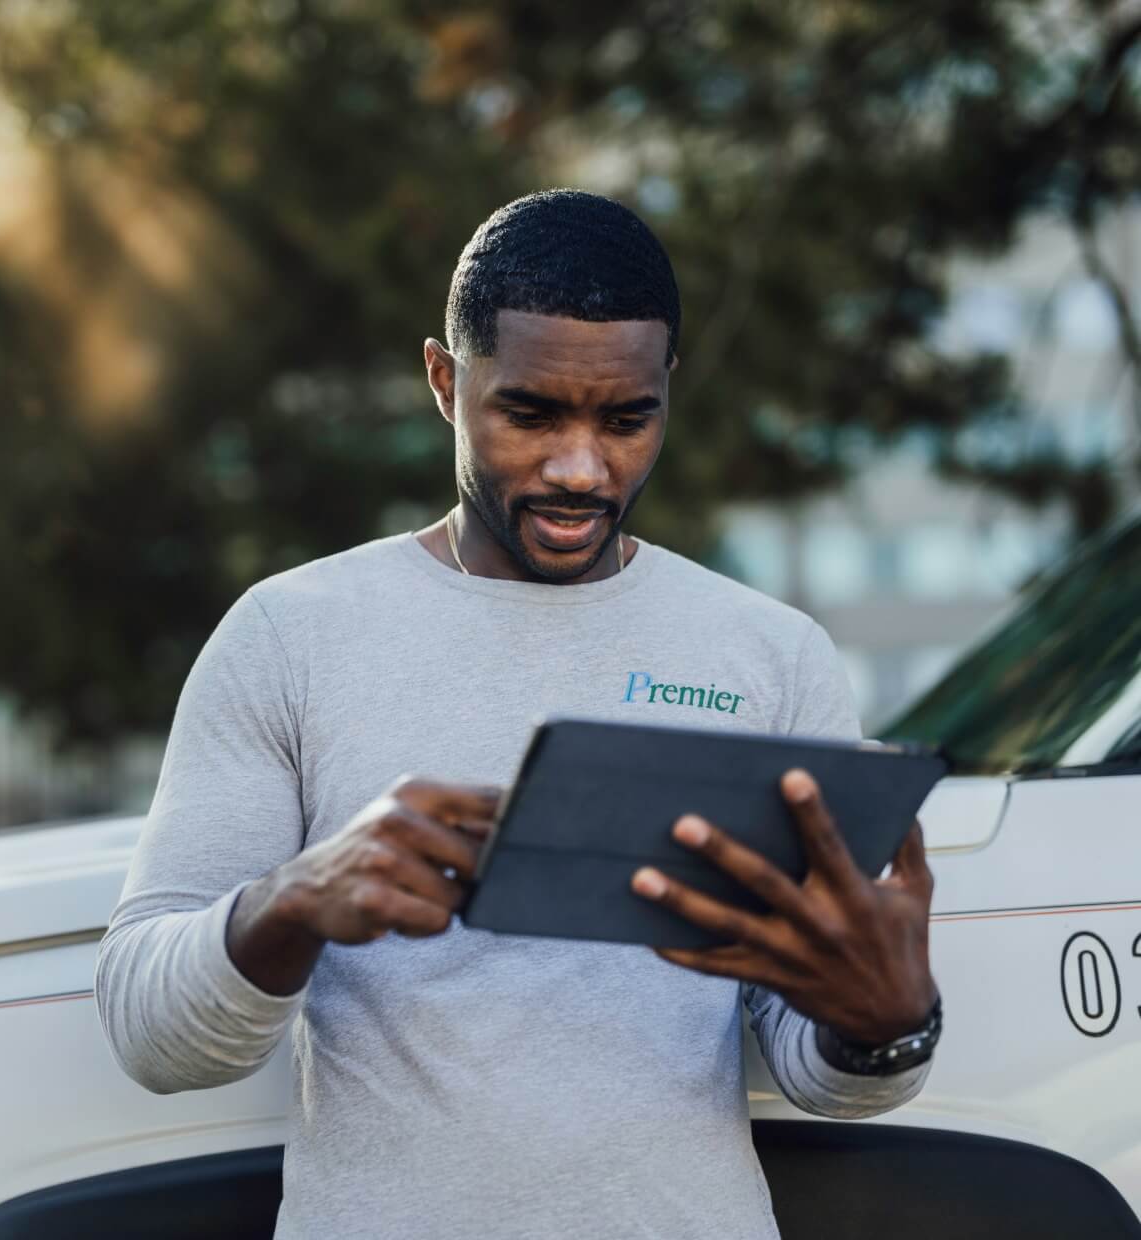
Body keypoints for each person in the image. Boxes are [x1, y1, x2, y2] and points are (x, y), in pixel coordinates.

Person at [95, 189, 940, 1240]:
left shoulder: (766, 652)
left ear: (666, 388)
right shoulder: (291, 634)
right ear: (445, 382)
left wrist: (886, 1025)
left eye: (626, 419)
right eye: (531, 413)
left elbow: (814, 1067)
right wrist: (292, 898)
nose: (581, 468)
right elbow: (150, 1034)